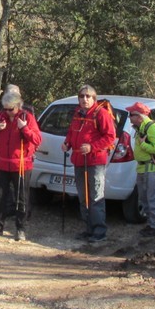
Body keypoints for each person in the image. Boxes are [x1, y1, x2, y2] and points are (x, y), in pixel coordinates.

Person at [0, 89, 42, 241]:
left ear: (18, 106)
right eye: (5, 109)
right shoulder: (0, 116)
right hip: (2, 163)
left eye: (10, 109)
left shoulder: (28, 117)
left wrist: (24, 128)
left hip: (21, 164)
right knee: (0, 196)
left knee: (22, 197)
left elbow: (37, 139)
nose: (7, 112)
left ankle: (20, 228)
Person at [62, 85, 115, 243]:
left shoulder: (101, 114)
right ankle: (88, 228)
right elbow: (72, 132)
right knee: (83, 197)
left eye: (88, 96)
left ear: (94, 98)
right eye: (82, 96)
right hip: (79, 160)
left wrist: (92, 147)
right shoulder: (78, 113)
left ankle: (99, 230)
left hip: (94, 162)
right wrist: (67, 143)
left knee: (95, 196)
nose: (84, 99)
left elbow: (110, 137)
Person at [128, 101, 155, 237]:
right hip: (142, 168)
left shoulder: (153, 128)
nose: (129, 117)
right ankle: (151, 224)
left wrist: (144, 146)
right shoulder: (140, 128)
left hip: (153, 168)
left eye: (131, 114)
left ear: (139, 116)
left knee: (152, 197)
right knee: (144, 198)